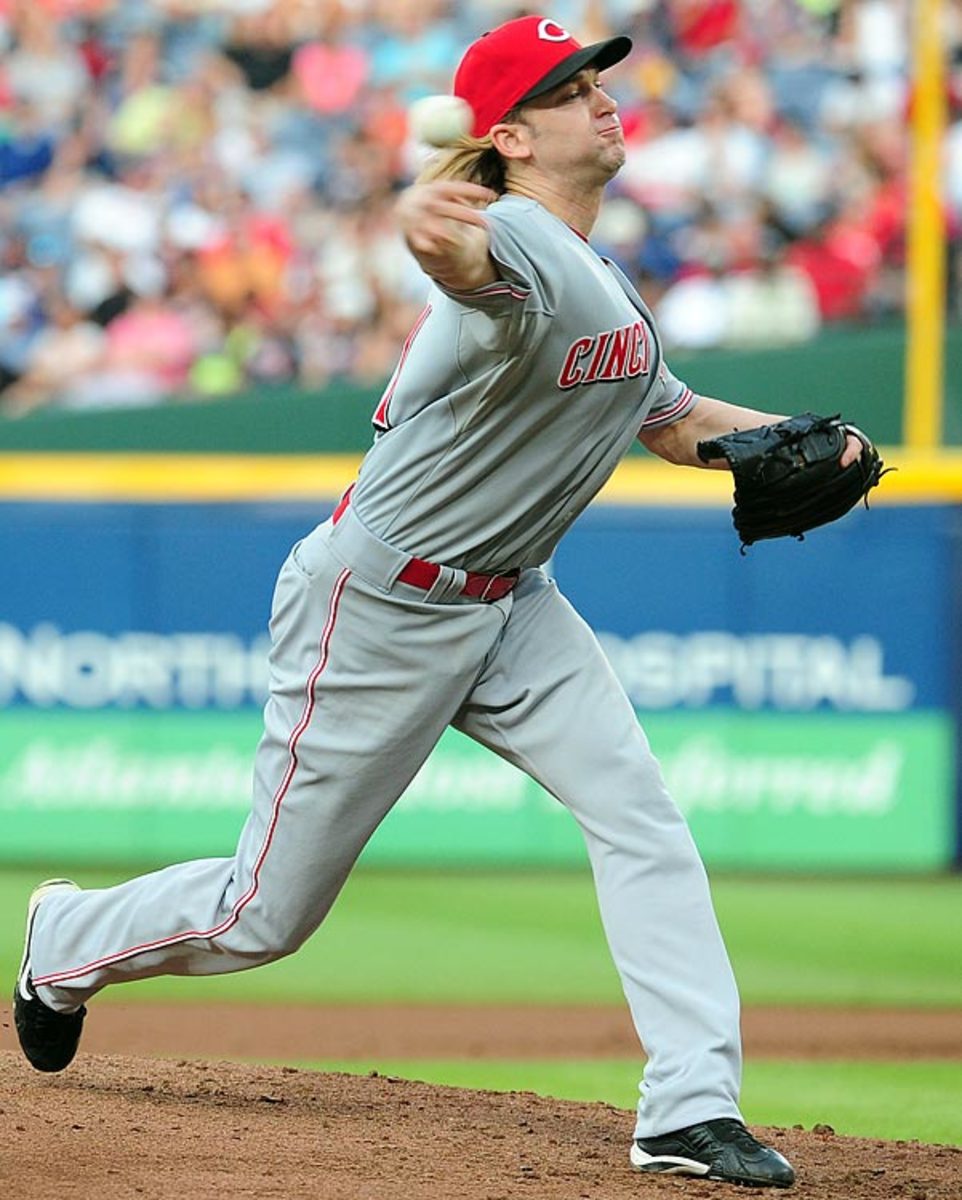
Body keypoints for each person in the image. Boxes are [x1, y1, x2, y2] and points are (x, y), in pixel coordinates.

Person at [15, 14, 861, 1188]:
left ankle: (686, 1107)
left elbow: (666, 420)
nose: (604, 100)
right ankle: (65, 939)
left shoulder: (597, 276)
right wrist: (428, 234)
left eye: (600, 81)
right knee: (263, 914)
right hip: (378, 607)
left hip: (512, 604)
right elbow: (468, 273)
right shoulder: (508, 241)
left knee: (640, 818)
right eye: (571, 90)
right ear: (509, 136)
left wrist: (788, 438)